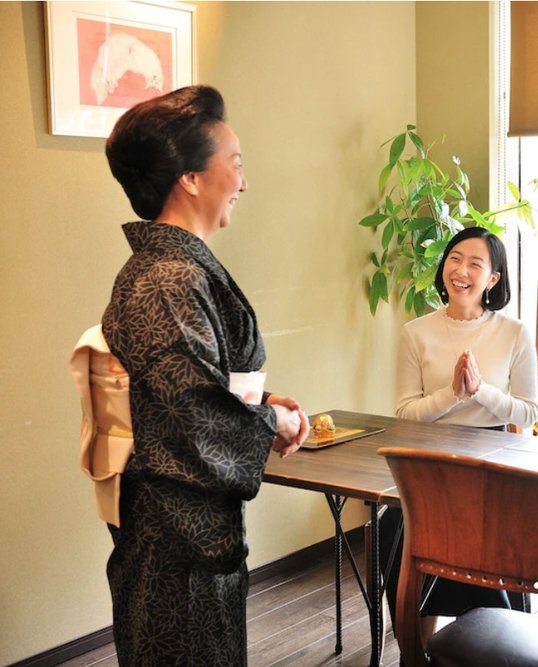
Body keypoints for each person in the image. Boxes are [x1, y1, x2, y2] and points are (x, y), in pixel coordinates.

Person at [101, 85, 308, 664]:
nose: (244, 182)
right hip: (174, 536)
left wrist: (262, 402)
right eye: (235, 164)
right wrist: (273, 420)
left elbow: (185, 381)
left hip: (193, 529)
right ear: (191, 178)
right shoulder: (167, 279)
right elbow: (192, 415)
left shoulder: (175, 269)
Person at [382, 225, 538, 630]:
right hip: (429, 460)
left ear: (493, 279)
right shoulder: (415, 332)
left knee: (482, 532)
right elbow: (404, 414)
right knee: (395, 530)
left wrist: (479, 390)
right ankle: (415, 653)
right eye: (454, 258)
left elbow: (526, 414)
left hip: (494, 462)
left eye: (475, 263)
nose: (461, 270)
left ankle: (495, 639)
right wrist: (452, 394)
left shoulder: (514, 333)